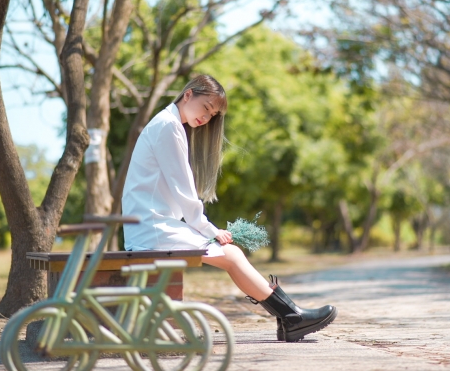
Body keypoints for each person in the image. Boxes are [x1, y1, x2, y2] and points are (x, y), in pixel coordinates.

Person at [122, 74, 337, 342]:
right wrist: (208, 229)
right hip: (152, 229)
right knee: (232, 255)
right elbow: (184, 189)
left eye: (212, 115)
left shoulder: (168, 123)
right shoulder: (168, 126)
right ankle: (291, 317)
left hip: (152, 225)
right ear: (188, 94)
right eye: (206, 108)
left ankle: (290, 317)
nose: (206, 118)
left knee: (232, 255)